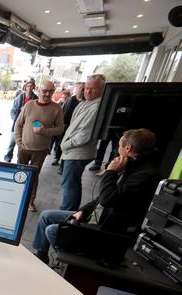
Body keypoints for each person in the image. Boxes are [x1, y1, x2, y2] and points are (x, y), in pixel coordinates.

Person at [32, 128, 160, 264]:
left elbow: (107, 199)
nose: (117, 149)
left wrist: (110, 172)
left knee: (52, 231)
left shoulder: (145, 175)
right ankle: (41, 257)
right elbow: (101, 198)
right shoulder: (130, 166)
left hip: (107, 230)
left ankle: (74, 263)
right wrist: (83, 210)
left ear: (128, 148)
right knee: (46, 216)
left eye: (119, 146)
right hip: (98, 216)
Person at [14, 81, 64, 212]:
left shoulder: (56, 108)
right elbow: (18, 125)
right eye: (45, 91)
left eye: (51, 91)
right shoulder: (29, 105)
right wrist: (19, 143)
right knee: (20, 174)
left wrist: (44, 131)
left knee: (34, 177)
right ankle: (16, 197)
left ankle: (30, 201)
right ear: (39, 90)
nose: (47, 94)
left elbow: (60, 129)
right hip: (24, 148)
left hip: (41, 150)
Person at [59, 74, 106, 211]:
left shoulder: (97, 107)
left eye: (93, 89)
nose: (88, 91)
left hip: (77, 152)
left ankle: (65, 215)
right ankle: (68, 213)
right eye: (87, 88)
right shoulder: (86, 103)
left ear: (102, 90)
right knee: (71, 184)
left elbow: (85, 134)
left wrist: (65, 145)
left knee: (70, 186)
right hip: (74, 151)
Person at [54, 82, 85, 173]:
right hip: (67, 127)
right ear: (76, 89)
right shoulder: (71, 100)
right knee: (62, 143)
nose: (81, 90)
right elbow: (64, 112)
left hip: (78, 129)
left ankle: (63, 165)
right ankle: (57, 158)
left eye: (83, 89)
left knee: (70, 147)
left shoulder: (85, 102)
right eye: (80, 88)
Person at [4, 79, 37, 162]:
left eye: (31, 86)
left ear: (34, 87)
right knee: (12, 143)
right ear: (25, 87)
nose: (29, 87)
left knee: (22, 145)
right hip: (16, 124)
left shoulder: (35, 99)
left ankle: (20, 161)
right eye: (28, 86)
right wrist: (17, 119)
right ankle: (7, 158)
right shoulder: (19, 98)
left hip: (28, 126)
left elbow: (37, 114)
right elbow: (12, 111)